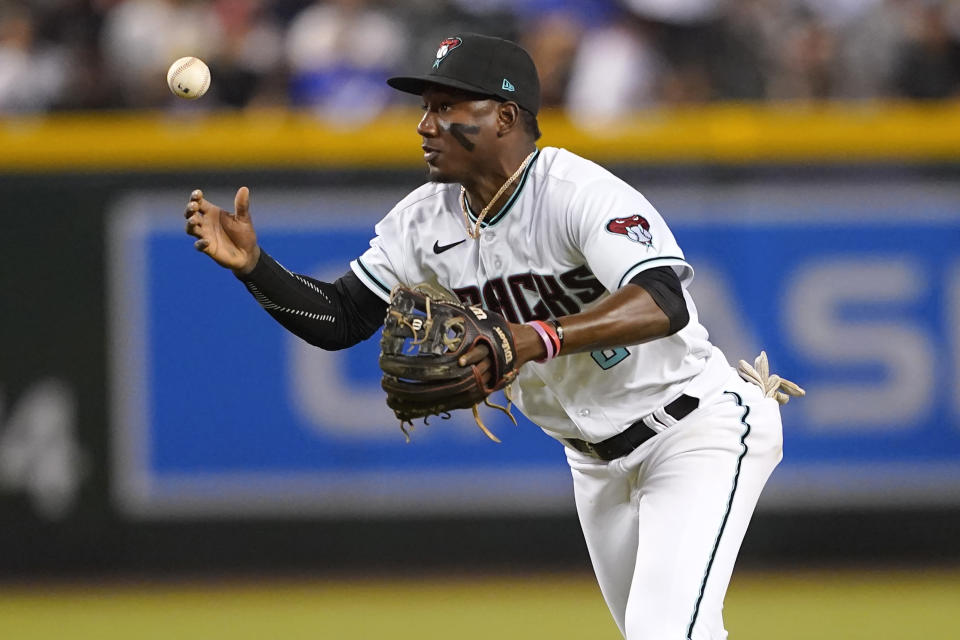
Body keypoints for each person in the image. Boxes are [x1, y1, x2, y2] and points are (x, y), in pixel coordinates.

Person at [183, 33, 801, 640]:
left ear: (505, 116)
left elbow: (664, 301)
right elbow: (342, 317)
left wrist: (530, 338)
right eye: (425, 107)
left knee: (664, 632)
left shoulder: (576, 191)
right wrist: (255, 269)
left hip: (694, 429)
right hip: (594, 462)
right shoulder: (421, 221)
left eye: (448, 107)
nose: (425, 124)